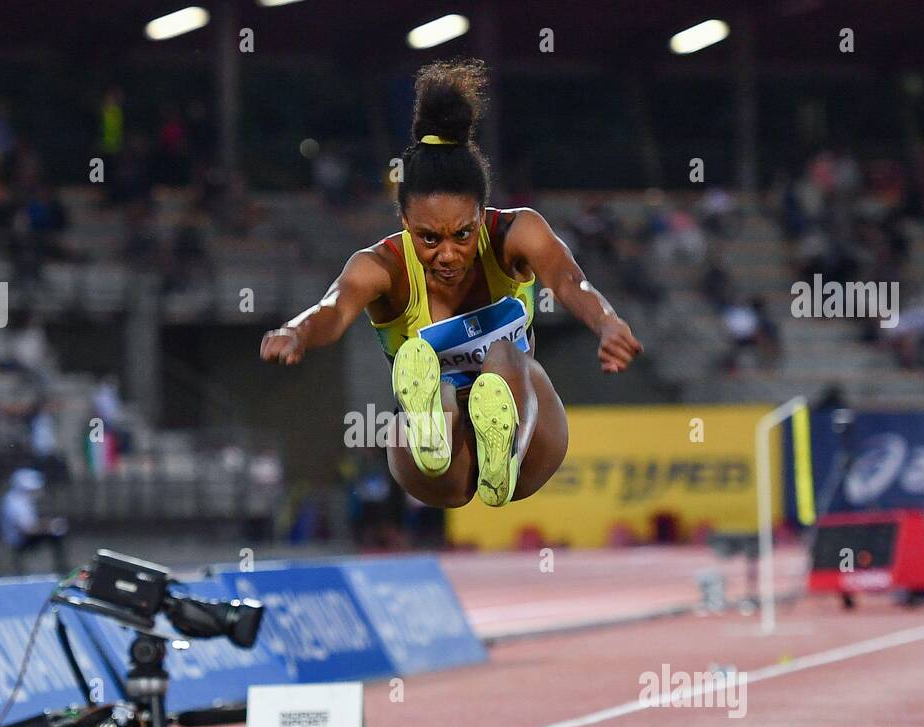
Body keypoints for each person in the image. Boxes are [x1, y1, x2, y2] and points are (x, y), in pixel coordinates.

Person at [259, 59, 641, 508]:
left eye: (462, 234)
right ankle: (432, 426)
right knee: (430, 376)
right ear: (404, 222)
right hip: (438, 470)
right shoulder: (381, 265)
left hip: (530, 442)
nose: (447, 254)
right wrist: (297, 331)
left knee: (507, 359)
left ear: (482, 213)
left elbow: (567, 278)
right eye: (428, 238)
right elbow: (334, 307)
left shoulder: (516, 234)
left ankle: (502, 453)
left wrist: (607, 322)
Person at [0, 468, 68, 572]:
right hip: (18, 540)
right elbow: (26, 529)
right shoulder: (15, 502)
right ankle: (61, 568)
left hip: (24, 536)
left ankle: (60, 567)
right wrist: (48, 527)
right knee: (55, 534)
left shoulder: (22, 500)